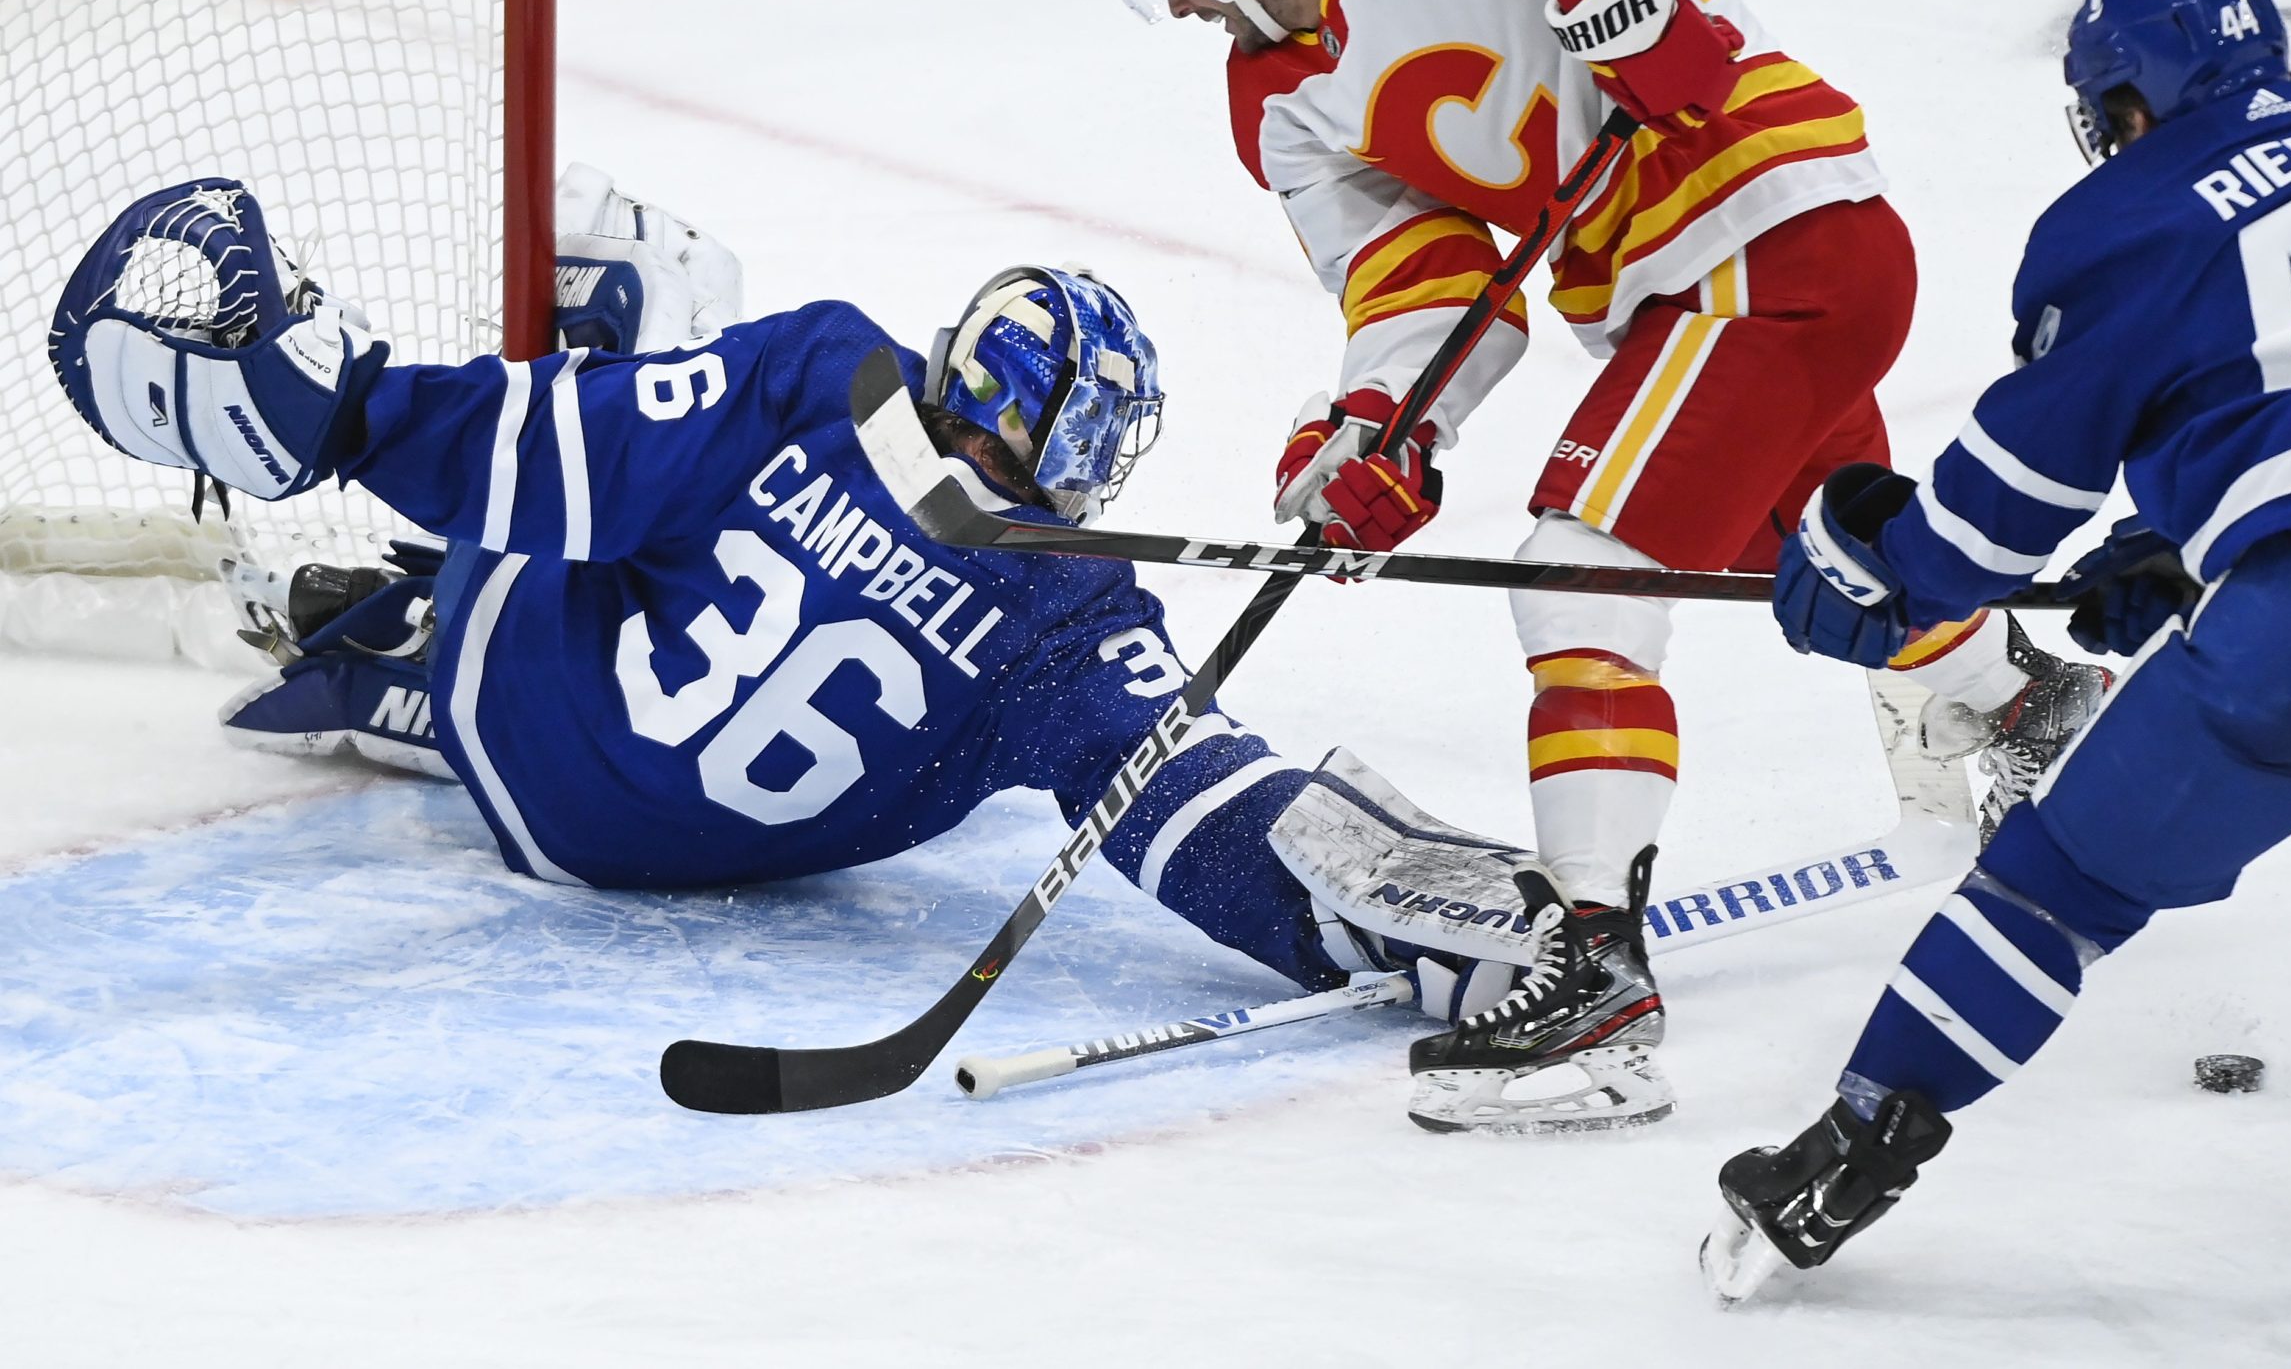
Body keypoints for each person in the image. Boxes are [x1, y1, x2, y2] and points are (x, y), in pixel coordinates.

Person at [1085, 0, 2106, 1132]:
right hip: (1695, 286)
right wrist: (1382, 423)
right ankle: (2025, 698)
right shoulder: (1282, 108)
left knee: (1582, 577)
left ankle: (1595, 982)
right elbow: (1420, 276)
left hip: (1759, 232)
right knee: (1817, 566)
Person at [45, 170, 1537, 1026]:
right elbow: (1193, 803)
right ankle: (410, 655)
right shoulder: (1074, 616)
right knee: (682, 516)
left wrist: (360, 414)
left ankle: (417, 643)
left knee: (634, 287)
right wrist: (1392, 922)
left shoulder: (829, 371)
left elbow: (560, 451)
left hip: (528, 705)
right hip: (658, 861)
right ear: (1078, 448)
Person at [1708, 0, 2291, 1300]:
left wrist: (1879, 579)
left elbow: (1992, 525)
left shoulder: (2120, 214)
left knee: (2061, 890)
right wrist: (2185, 521)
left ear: (2123, 105)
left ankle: (1846, 1153)